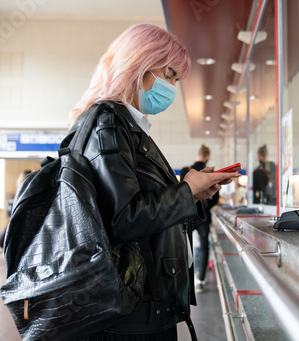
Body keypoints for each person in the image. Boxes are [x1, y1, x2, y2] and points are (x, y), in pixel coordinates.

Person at [68, 24, 239, 341]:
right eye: (170, 75)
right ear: (141, 65)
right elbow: (123, 218)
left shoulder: (127, 128)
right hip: (130, 312)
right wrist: (186, 191)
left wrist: (195, 195)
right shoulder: (109, 123)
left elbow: (138, 207)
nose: (173, 86)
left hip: (144, 304)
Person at [179, 145, 219, 293]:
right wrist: (206, 208)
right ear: (207, 156)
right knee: (203, 246)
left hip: (187, 214)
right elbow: (216, 197)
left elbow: (179, 193)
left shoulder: (185, 171)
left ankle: (185, 278)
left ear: (197, 154)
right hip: (203, 216)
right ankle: (200, 279)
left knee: (184, 245)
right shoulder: (211, 173)